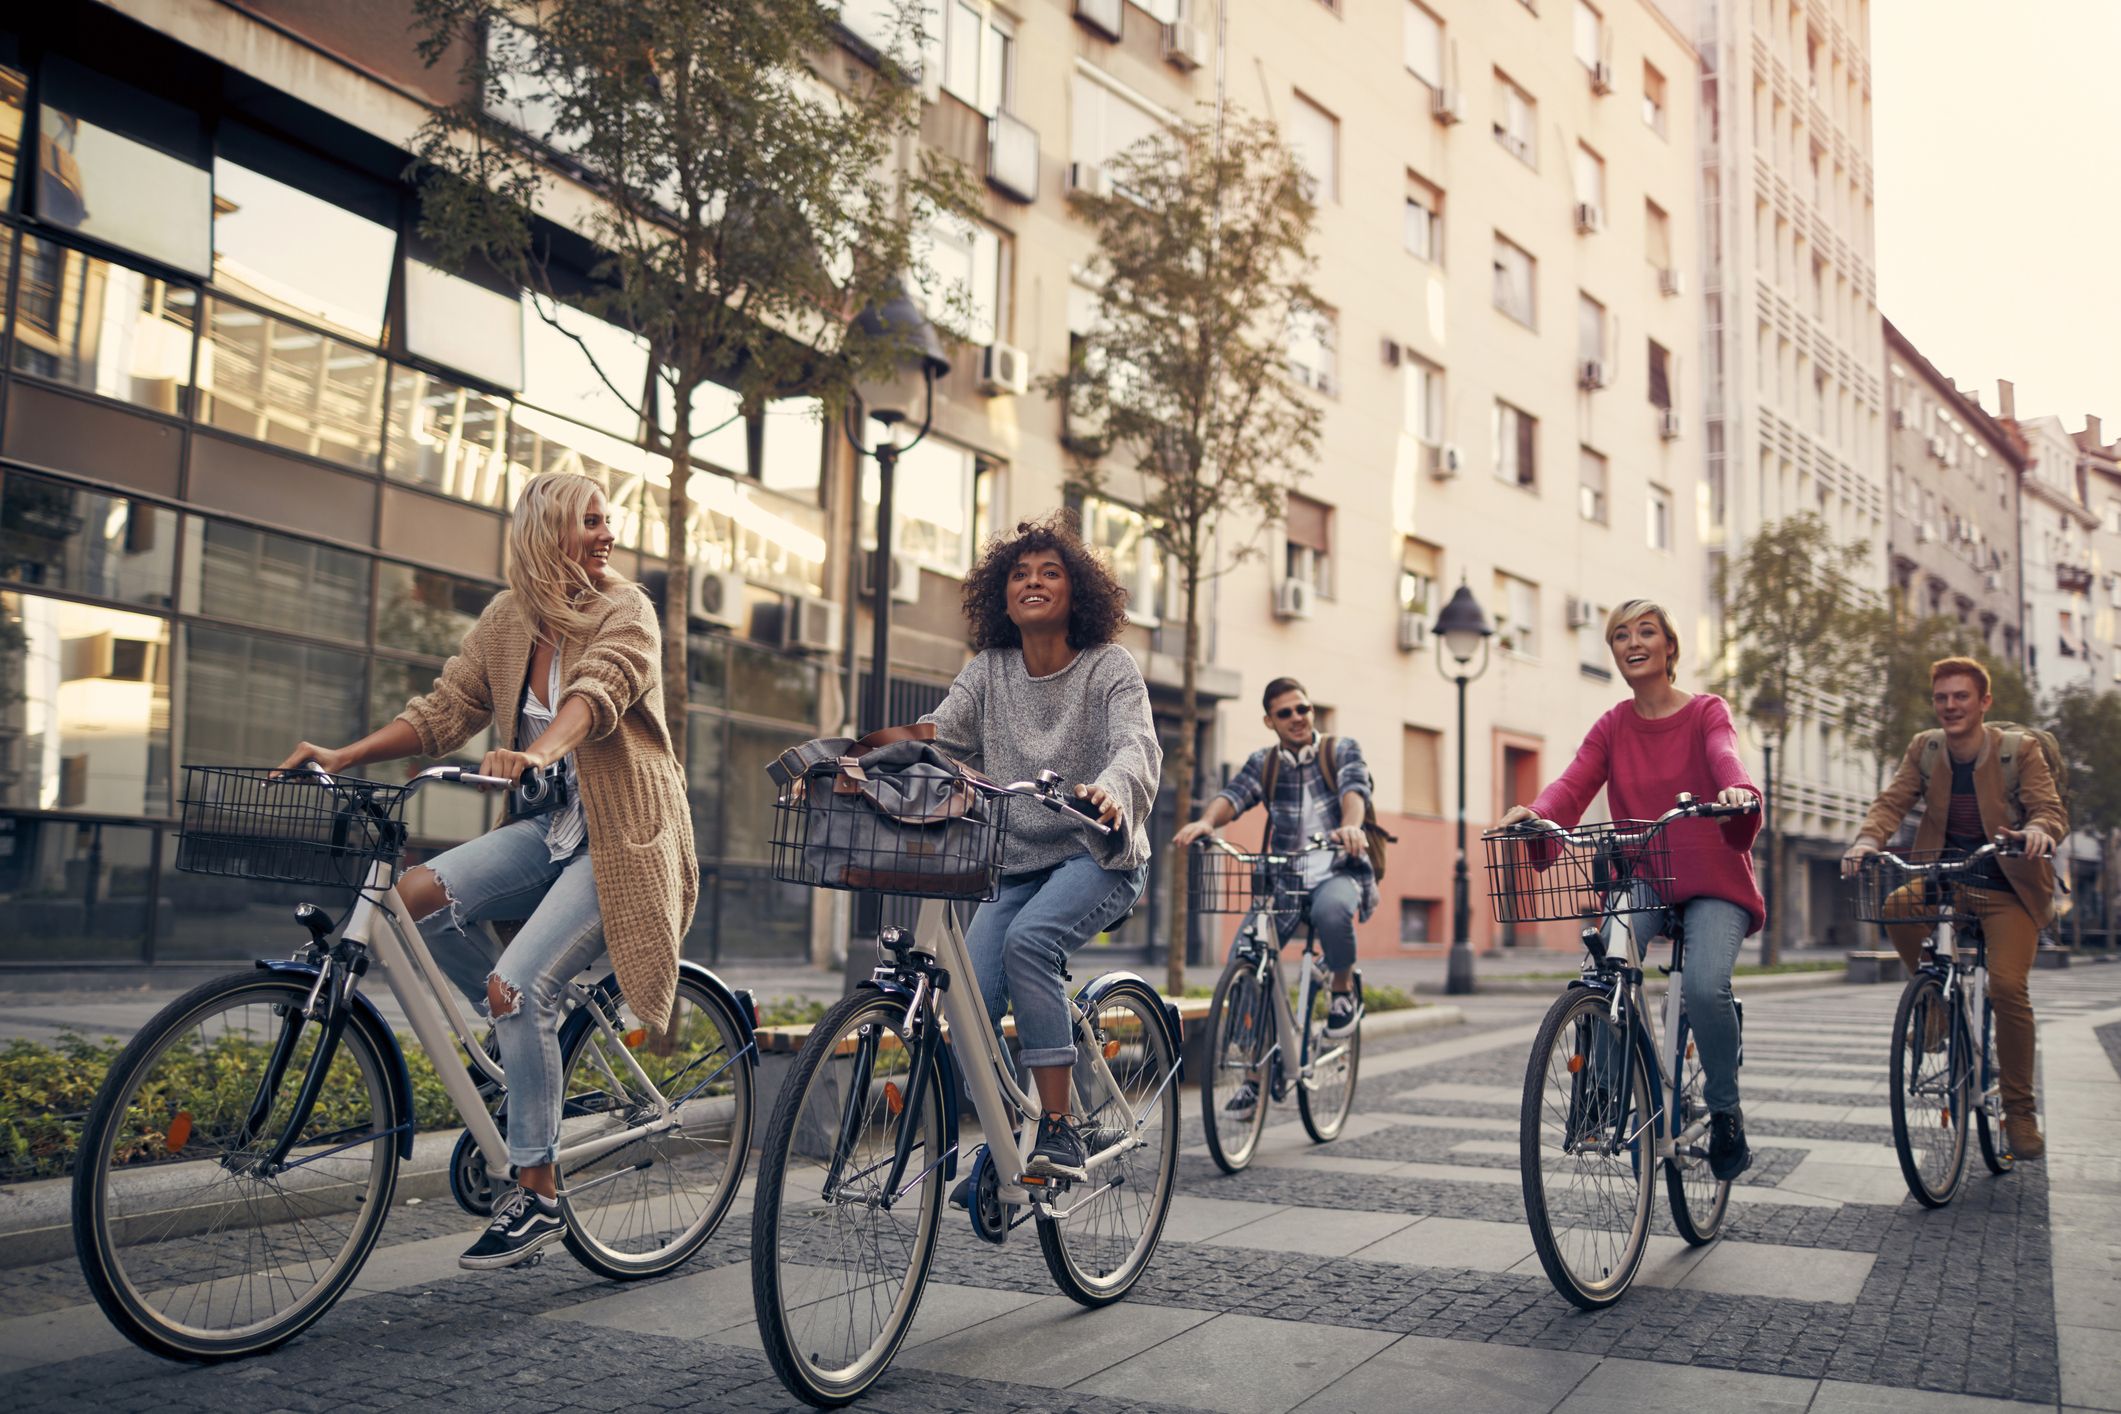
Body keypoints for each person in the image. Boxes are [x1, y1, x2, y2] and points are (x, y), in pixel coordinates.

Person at [278, 471, 696, 1268]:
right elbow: (443, 709)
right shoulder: (510, 620)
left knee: (521, 988)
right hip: (549, 829)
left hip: (624, 838)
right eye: (590, 522)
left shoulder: (626, 609)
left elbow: (599, 692)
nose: (606, 535)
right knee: (408, 902)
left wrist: (535, 751)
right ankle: (518, 1041)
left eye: (609, 521)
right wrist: (346, 753)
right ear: (547, 532)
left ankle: (536, 1193)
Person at [922, 512, 1161, 1182]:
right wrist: (868, 756)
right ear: (1002, 594)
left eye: (1050, 573)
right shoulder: (989, 671)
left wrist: (1112, 791)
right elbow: (941, 733)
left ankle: (1058, 1129)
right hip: (1016, 863)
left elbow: (1134, 746)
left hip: (1098, 856)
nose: (1033, 581)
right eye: (1020, 574)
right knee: (966, 997)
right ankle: (1002, 1137)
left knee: (1031, 942)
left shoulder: (1108, 667)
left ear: (1075, 592)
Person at [1498, 599, 1764, 1180]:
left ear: (1669, 646)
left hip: (1713, 877)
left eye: (1646, 631)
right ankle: (1604, 1094)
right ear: (1614, 652)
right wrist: (1540, 816)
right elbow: (1574, 781)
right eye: (1620, 635)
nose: (1632, 642)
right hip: (1645, 876)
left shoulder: (1706, 712)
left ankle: (1725, 1111)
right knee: (1607, 968)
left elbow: (1724, 754)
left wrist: (1738, 792)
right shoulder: (1613, 724)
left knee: (1702, 987)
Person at [1841, 656, 2064, 1160]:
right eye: (1942, 697)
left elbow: (2049, 809)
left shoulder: (2018, 751)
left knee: (2007, 987)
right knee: (1897, 907)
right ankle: (1935, 1007)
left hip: (2008, 887)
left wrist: (2037, 831)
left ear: (1984, 702)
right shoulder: (1926, 748)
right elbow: (1891, 801)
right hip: (1946, 881)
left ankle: (2020, 1111)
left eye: (1961, 696)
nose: (1950, 706)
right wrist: (1866, 840)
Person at [1174, 677, 1376, 1118]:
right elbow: (1232, 796)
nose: (1297, 718)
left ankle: (1341, 990)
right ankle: (1252, 1075)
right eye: (1285, 713)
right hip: (1283, 879)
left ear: (1311, 710)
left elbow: (1354, 793)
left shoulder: (1340, 750)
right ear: (1270, 721)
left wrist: (1351, 826)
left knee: (1333, 909)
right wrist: (1207, 822)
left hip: (1335, 868)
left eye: (1302, 708)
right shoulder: (1263, 764)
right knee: (1245, 959)